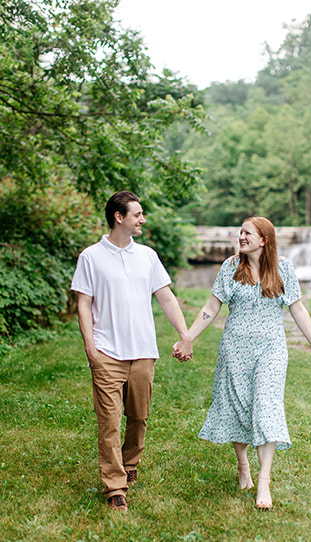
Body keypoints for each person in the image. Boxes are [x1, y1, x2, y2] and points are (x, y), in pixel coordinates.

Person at [175, 217, 311, 510]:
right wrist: (189, 338)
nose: (241, 237)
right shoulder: (230, 268)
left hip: (271, 349)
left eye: (247, 233)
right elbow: (212, 307)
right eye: (241, 233)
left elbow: (297, 308)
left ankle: (264, 481)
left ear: (264, 240)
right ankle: (243, 465)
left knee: (266, 406)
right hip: (235, 348)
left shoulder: (283, 268)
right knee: (239, 406)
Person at [72, 191, 193, 512]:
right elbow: (83, 304)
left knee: (138, 417)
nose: (142, 219)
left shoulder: (148, 256)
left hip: (142, 352)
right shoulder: (91, 257)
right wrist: (90, 346)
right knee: (109, 422)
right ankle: (115, 486)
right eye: (137, 214)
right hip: (107, 353)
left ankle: (130, 462)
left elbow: (166, 297)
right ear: (119, 217)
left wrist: (185, 334)